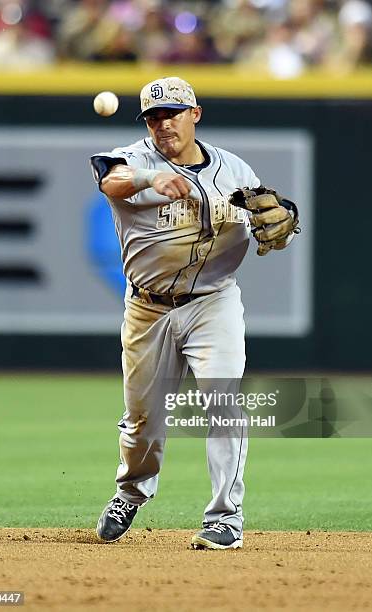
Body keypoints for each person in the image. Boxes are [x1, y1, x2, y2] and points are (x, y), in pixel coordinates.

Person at [90, 76, 299, 550]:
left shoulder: (233, 169)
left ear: (195, 114)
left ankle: (226, 516)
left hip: (213, 301)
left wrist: (282, 221)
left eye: (173, 113)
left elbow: (270, 215)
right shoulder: (135, 160)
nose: (164, 123)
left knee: (223, 402)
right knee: (143, 420)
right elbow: (110, 177)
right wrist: (150, 178)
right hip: (149, 309)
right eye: (154, 116)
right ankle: (131, 491)